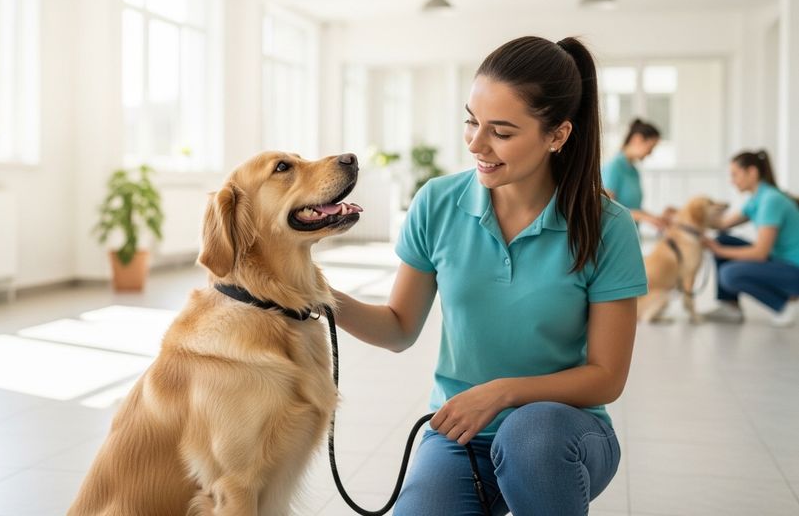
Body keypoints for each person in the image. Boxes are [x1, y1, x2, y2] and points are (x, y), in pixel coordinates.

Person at [331, 36, 647, 516]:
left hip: (563, 435)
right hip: (462, 434)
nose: (477, 143)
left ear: (557, 136)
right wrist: (319, 296)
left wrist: (505, 392)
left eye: (501, 131)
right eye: (471, 121)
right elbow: (397, 328)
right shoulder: (437, 202)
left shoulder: (608, 227)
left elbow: (606, 377)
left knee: (528, 438)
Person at [703, 150, 799, 327]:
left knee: (730, 274)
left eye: (735, 175)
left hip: (793, 270)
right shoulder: (757, 197)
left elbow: (760, 253)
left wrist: (718, 250)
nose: (732, 181)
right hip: (779, 261)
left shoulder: (771, 200)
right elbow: (722, 224)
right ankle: (730, 306)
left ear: (752, 172)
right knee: (723, 239)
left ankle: (783, 305)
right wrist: (684, 218)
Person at [601, 119, 673, 230]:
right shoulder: (614, 167)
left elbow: (633, 208)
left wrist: (655, 218)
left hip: (632, 233)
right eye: (650, 147)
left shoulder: (633, 171)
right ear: (637, 139)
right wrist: (646, 218)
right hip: (616, 235)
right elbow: (608, 209)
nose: (650, 153)